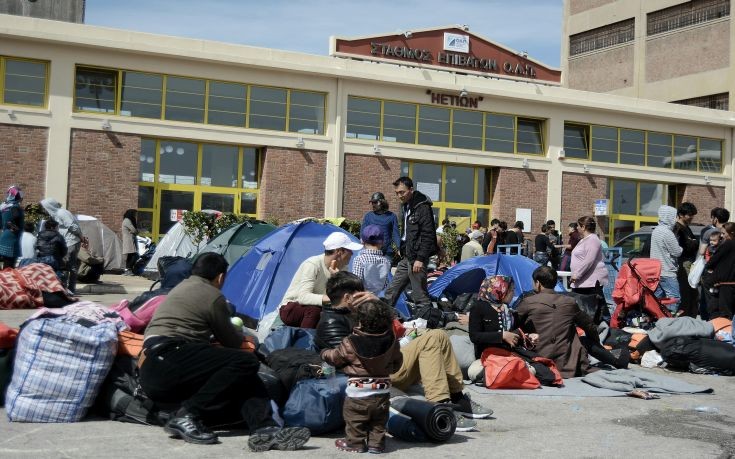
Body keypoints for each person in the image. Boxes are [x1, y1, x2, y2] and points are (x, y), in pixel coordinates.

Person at [139, 252, 311, 451]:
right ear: (220, 277)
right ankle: (188, 414)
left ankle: (265, 428)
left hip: (155, 366)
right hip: (170, 358)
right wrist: (239, 334)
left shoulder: (180, 288)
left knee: (244, 375)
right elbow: (231, 341)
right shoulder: (212, 295)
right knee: (246, 362)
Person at [316, 273, 492, 426]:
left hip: (382, 366)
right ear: (348, 298)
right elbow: (358, 357)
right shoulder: (332, 322)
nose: (367, 297)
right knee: (430, 339)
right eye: (362, 293)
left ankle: (457, 398)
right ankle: (441, 405)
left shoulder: (351, 314)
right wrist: (375, 311)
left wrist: (378, 307)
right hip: (370, 376)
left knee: (437, 334)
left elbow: (389, 336)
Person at [321, 299, 403, 454]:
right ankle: (376, 444)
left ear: (358, 321)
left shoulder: (350, 342)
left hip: (357, 394)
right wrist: (388, 368)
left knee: (354, 420)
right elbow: (397, 363)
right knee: (378, 422)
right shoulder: (392, 340)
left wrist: (324, 353)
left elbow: (335, 358)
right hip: (382, 392)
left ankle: (355, 443)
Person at [516, 266, 628, 378]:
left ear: (538, 283)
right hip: (568, 365)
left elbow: (513, 326)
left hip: (538, 362)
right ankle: (616, 362)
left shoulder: (527, 302)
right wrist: (597, 346)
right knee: (584, 340)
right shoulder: (569, 302)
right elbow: (590, 327)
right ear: (555, 283)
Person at [276, 232, 362, 329]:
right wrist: (335, 299)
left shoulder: (343, 267)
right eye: (349, 250)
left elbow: (344, 294)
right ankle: (307, 340)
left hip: (321, 308)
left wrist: (337, 278)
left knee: (349, 312)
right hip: (291, 308)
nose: (352, 253)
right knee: (315, 311)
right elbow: (303, 297)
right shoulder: (313, 264)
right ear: (339, 252)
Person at [384, 177, 438, 310]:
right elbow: (408, 233)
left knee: (419, 294)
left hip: (417, 258)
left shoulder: (422, 207)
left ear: (411, 190)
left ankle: (426, 322)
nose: (399, 196)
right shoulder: (407, 206)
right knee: (392, 290)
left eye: (402, 192)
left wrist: (420, 258)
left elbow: (428, 234)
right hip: (407, 256)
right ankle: (382, 318)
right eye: (397, 193)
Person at [40, 198, 84, 293]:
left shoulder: (61, 213)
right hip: (66, 241)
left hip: (71, 241)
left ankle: (70, 288)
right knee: (65, 264)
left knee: (69, 265)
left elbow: (73, 226)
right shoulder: (56, 215)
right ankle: (65, 287)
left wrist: (81, 237)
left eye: (45, 208)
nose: (44, 210)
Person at [649, 205, 682, 313]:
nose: (676, 219)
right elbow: (677, 252)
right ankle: (669, 321)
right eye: (674, 216)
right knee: (674, 299)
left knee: (656, 299)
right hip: (667, 271)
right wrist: (681, 247)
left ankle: (655, 319)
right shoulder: (667, 233)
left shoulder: (656, 230)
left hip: (656, 271)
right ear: (669, 217)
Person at [698, 207, 729, 319]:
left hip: (711, 271)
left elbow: (701, 252)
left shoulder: (709, 232)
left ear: (715, 219)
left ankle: (709, 321)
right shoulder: (730, 231)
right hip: (727, 272)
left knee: (708, 297)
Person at [570, 216, 609, 295]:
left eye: (578, 226)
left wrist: (576, 275)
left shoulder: (593, 240)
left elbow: (588, 260)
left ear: (583, 227)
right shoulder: (583, 240)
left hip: (590, 283)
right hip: (582, 282)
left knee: (590, 306)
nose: (577, 228)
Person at [704, 222, 735, 319]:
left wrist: (709, 266)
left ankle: (722, 332)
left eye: (724, 233)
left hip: (725, 283)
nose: (722, 236)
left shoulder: (728, 244)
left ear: (732, 233)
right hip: (730, 283)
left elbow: (713, 261)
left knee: (721, 312)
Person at [673, 202, 699, 317]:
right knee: (686, 292)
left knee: (692, 293)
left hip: (690, 263)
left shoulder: (686, 228)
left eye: (692, 214)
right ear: (681, 215)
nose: (692, 217)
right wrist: (693, 242)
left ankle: (690, 317)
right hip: (683, 264)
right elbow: (685, 247)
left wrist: (693, 242)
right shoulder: (677, 228)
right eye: (689, 214)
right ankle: (685, 318)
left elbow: (693, 244)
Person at [352, 224, 390, 296]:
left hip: (361, 298)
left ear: (362, 241)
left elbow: (356, 283)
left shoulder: (360, 259)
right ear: (382, 242)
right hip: (376, 297)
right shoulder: (386, 261)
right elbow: (385, 284)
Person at [361, 192, 400, 261]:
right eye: (372, 203)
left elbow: (395, 234)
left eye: (375, 202)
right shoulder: (368, 216)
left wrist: (399, 247)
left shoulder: (391, 216)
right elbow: (362, 234)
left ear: (382, 203)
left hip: (387, 253)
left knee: (385, 272)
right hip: (370, 253)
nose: (373, 205)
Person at [0, 185, 24, 269]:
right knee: (9, 267)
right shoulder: (15, 207)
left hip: (4, 237)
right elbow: (16, 216)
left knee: (6, 265)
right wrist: (14, 226)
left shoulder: (3, 207)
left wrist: (7, 224)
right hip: (12, 238)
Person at [122, 209, 139, 275]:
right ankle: (128, 269)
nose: (135, 215)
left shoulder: (129, 220)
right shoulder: (127, 221)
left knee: (130, 255)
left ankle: (128, 270)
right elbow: (134, 230)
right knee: (134, 255)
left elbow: (134, 231)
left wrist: (134, 231)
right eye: (134, 214)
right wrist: (134, 231)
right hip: (129, 240)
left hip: (131, 240)